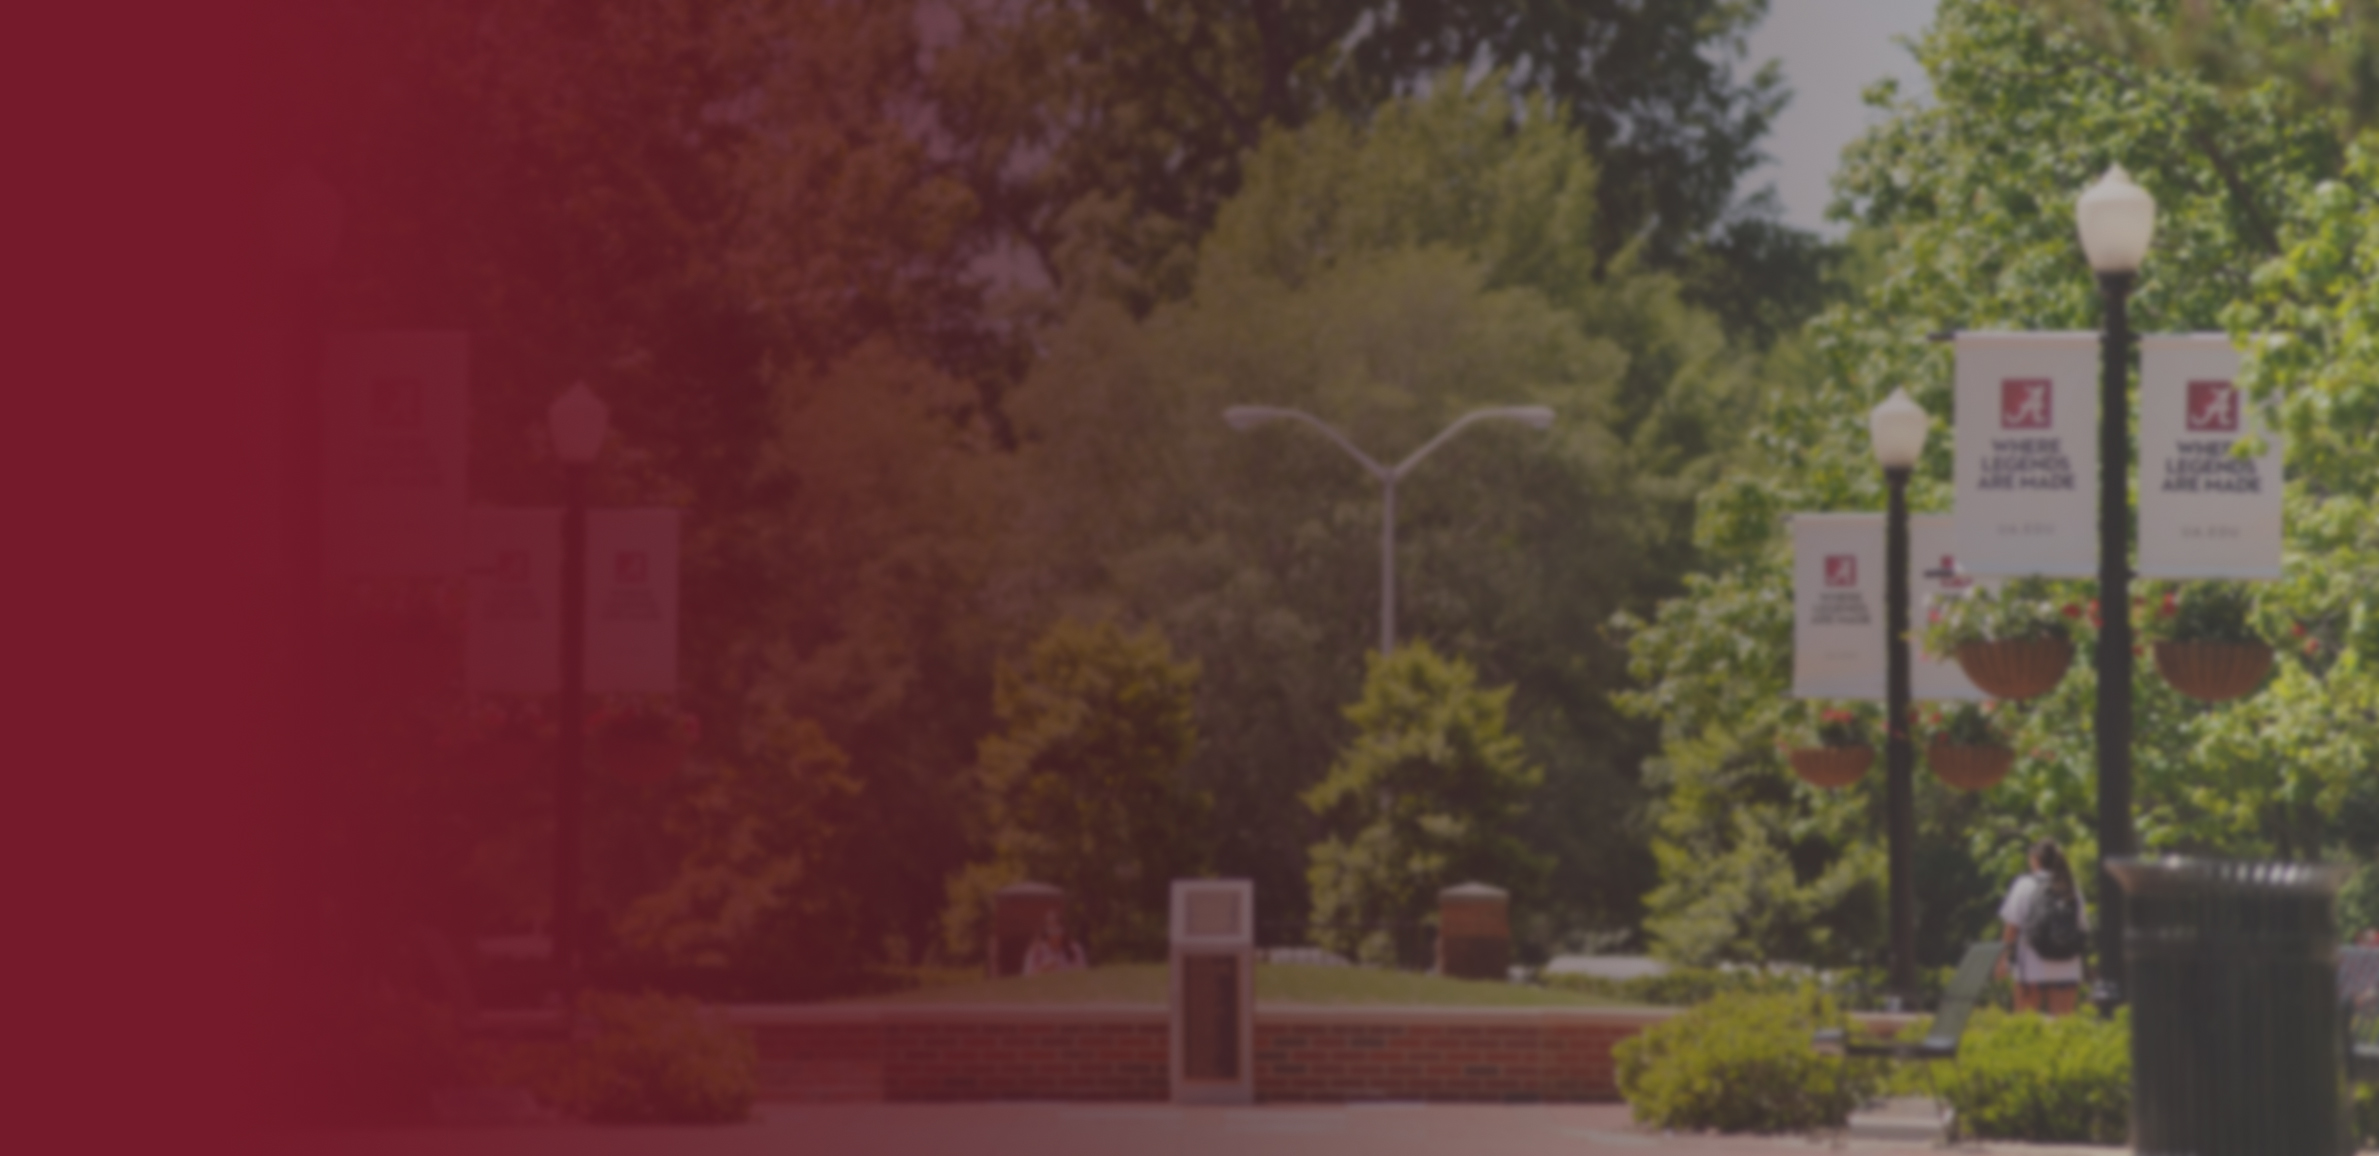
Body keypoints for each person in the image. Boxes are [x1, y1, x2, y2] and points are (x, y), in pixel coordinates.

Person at [1995, 838, 2090, 1015]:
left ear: (2034, 859)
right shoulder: (2071, 887)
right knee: (2064, 1031)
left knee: (2025, 1029)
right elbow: (2083, 927)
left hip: (2031, 968)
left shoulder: (2024, 885)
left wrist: (2002, 960)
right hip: (2067, 968)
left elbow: (2012, 928)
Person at [1022, 910, 1087, 976]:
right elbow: (1026, 981)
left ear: (1064, 928)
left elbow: (1083, 975)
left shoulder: (1074, 949)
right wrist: (1042, 970)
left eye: (1057, 927)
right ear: (1045, 930)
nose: (1055, 933)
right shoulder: (1036, 951)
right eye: (1051, 927)